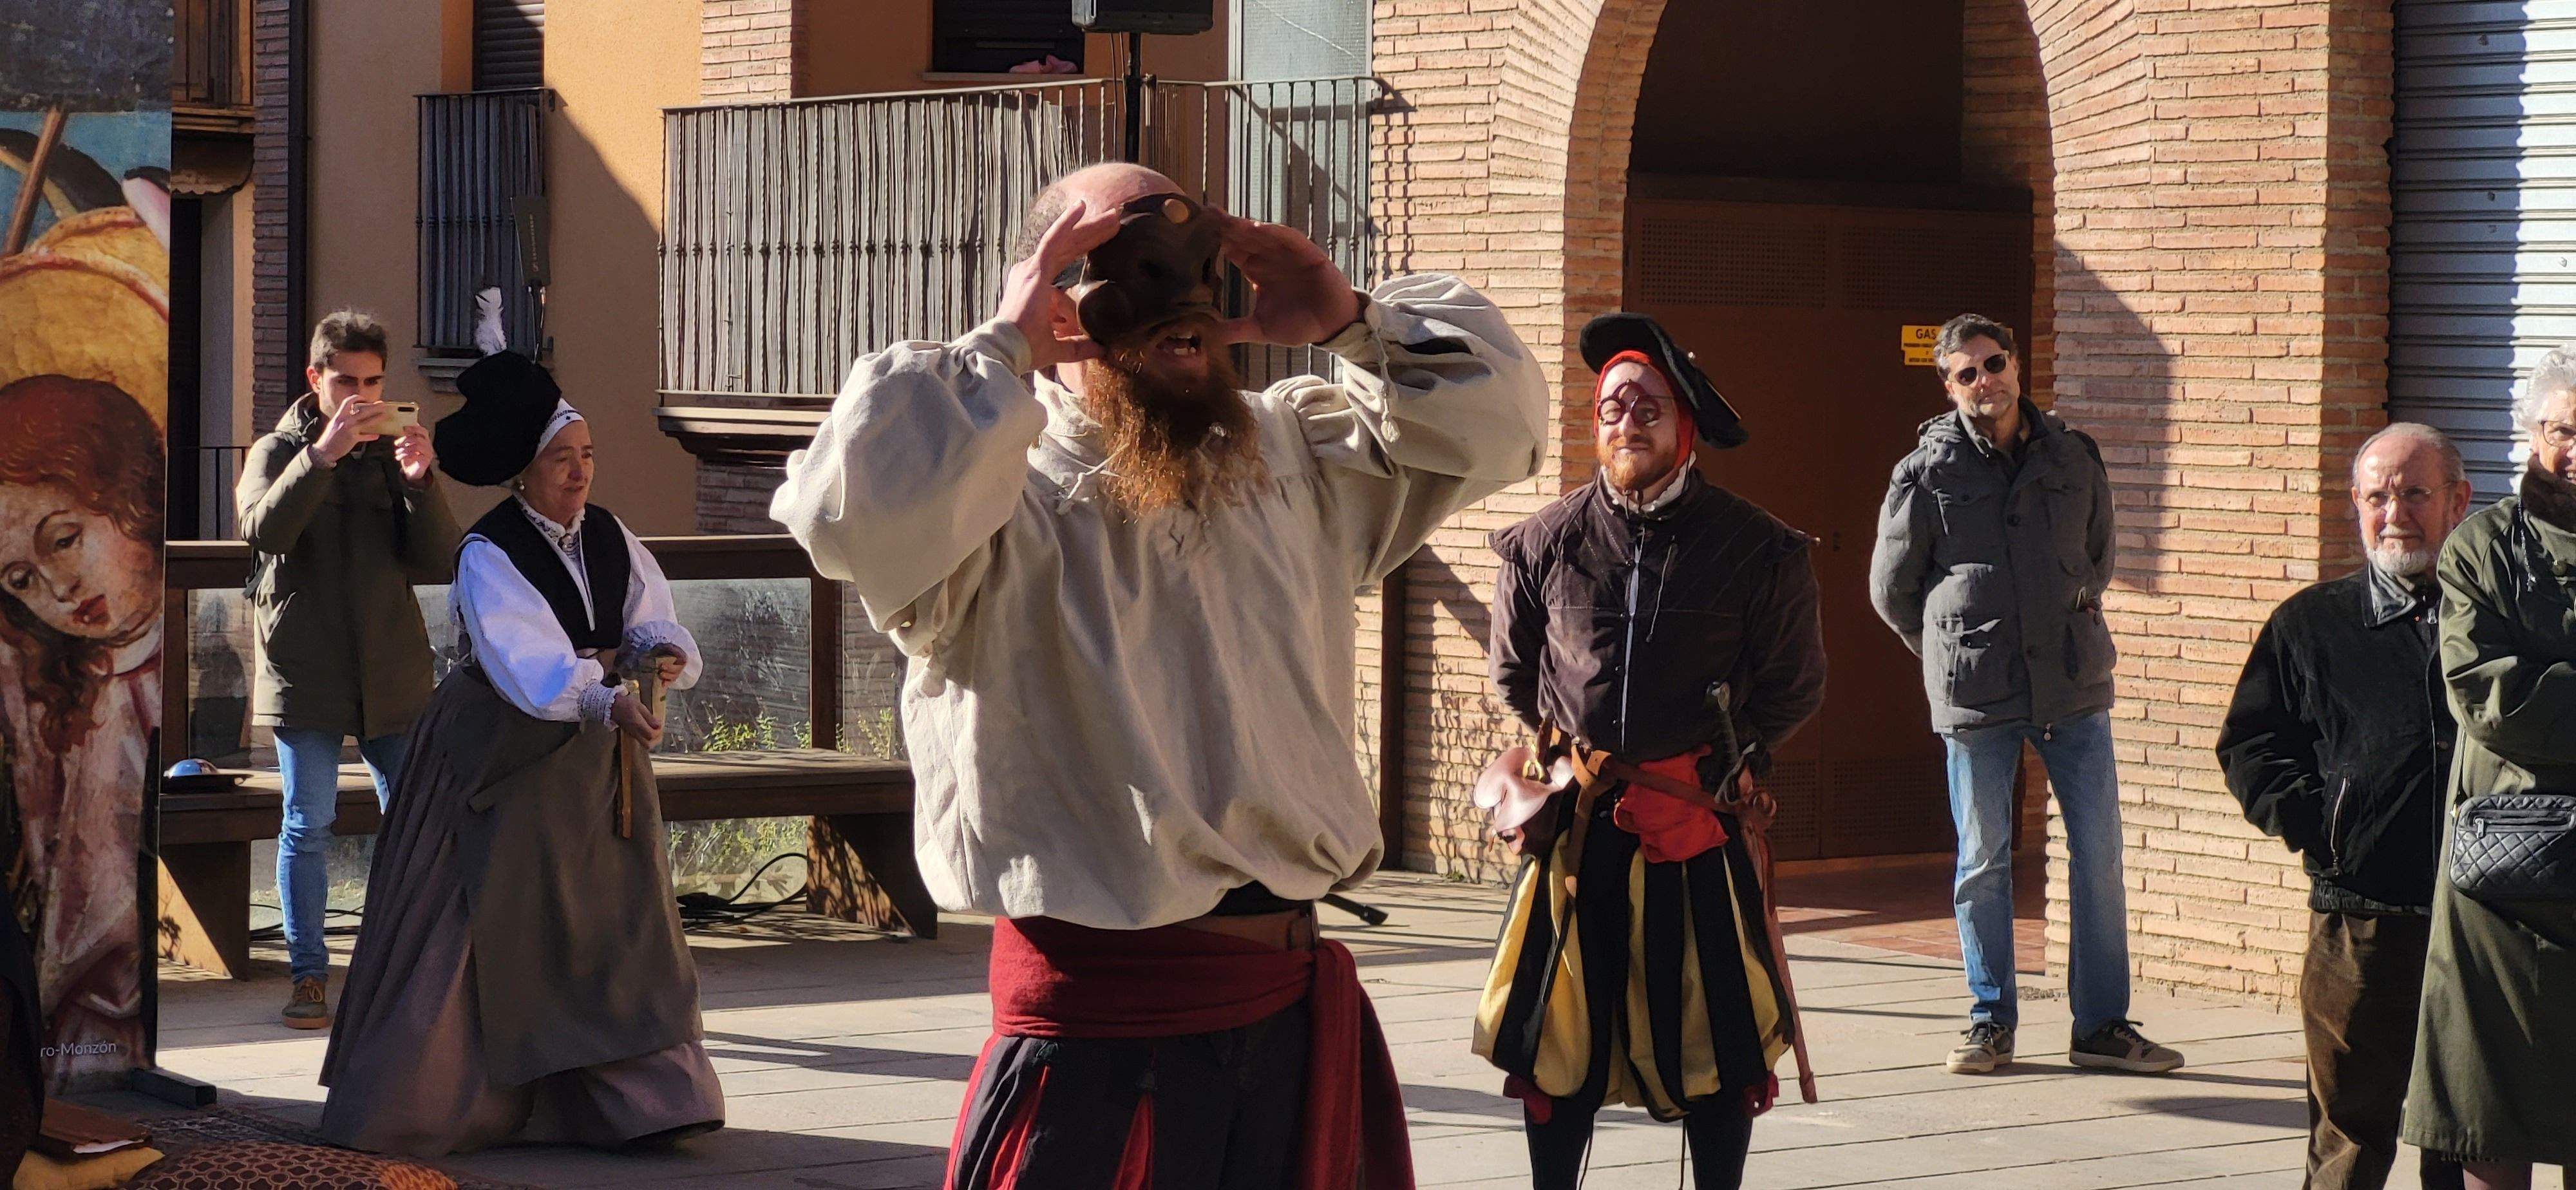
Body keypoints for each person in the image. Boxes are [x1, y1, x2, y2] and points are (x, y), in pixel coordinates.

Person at [771, 162, 1546, 1189]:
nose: (1187, 309)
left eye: (1196, 271)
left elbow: (1507, 422)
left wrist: (1351, 318)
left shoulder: (1293, 457)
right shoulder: (991, 490)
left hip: (1284, 1017)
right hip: (1097, 1037)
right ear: (1062, 302)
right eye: (1131, 269)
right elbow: (846, 509)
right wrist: (1005, 336)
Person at [317, 351, 722, 1156]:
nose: (579, 474)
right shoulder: (488, 552)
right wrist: (607, 696)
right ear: (524, 472)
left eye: (587, 456)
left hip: (599, 762)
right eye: (561, 459)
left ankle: (642, 1103)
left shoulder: (610, 535)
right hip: (501, 752)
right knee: (487, 915)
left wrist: (663, 653)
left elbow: (650, 613)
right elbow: (525, 664)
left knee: (613, 920)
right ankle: (439, 1102)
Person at [1472, 313, 1825, 1189]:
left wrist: (1728, 763)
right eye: (1611, 407)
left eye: (1648, 406)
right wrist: (1572, 756)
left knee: (1719, 1043)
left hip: (1697, 829)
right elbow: (1516, 673)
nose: (1627, 421)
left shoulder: (1761, 550)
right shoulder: (1542, 542)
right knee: (1556, 1046)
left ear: (1685, 426)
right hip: (1579, 832)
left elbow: (1794, 684)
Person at [1867, 312, 2183, 1076]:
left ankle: (2102, 1027)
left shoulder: (2072, 457)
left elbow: (2098, 558)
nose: (1985, 380)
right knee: (1982, 858)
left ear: (2016, 366)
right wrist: (1951, 648)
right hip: (1977, 692)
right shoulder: (1926, 471)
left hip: (2072, 684)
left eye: (1994, 363)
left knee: (2099, 854)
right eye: (1966, 372)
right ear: (1948, 387)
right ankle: (1989, 1021)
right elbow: (1890, 590)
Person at [2217, 422, 2471, 1190]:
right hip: (2359, 919)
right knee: (2348, 1134)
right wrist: (2321, 830)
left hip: (2483, 917)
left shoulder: (2496, 616)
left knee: (2466, 1129)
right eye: (2376, 496)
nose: (2394, 512)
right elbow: (2251, 746)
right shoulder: (2309, 625)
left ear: (2458, 501)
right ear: (2353, 506)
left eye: (2415, 493)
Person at [235, 311, 460, 1030]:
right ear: (315, 379)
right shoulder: (277, 450)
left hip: (392, 668)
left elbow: (438, 562)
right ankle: (308, 976)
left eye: (372, 383)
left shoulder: (391, 452)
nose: (360, 398)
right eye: (345, 383)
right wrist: (322, 458)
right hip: (306, 668)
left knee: (415, 819)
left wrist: (423, 485)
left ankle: (406, 966)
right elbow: (263, 530)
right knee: (309, 823)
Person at [2405, 346, 2576, 1189]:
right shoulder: (2482, 546)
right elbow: (2489, 695)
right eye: (2564, 430)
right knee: (2490, 1115)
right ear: (2533, 433)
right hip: (2509, 866)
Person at [0, 374, 162, 1084]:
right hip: (74, 1002)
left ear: (124, 492)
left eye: (63, 539)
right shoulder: (46, 678)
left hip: (125, 987)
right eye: (20, 580)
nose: (58, 588)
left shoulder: (170, 650)